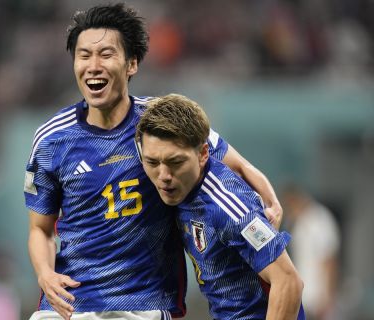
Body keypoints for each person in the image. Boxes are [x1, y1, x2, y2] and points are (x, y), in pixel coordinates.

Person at [24, 3, 283, 320]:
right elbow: (41, 230)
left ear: (131, 63)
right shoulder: (51, 139)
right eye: (84, 55)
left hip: (141, 305)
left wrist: (271, 200)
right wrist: (44, 274)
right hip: (67, 305)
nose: (93, 65)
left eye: (106, 54)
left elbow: (238, 163)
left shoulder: (161, 124)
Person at [136, 94, 304, 319]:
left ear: (203, 154)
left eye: (176, 162)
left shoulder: (229, 208)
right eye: (153, 163)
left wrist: (271, 202)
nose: (164, 176)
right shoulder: (180, 169)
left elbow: (289, 283)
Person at [282, 184, 341, 320]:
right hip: (304, 295)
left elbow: (330, 260)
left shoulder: (320, 219)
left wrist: (327, 297)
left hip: (319, 295)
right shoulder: (299, 223)